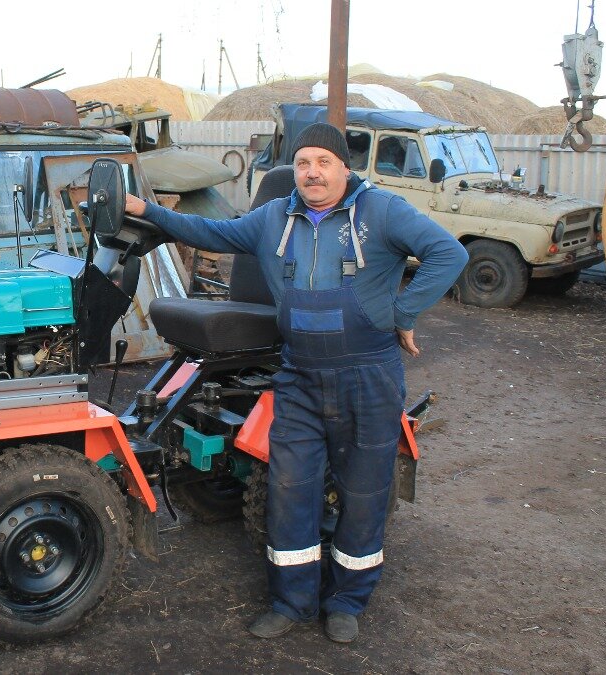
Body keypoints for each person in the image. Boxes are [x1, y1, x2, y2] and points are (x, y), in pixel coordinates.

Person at [123, 123, 468, 643]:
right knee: (289, 489)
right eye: (303, 162)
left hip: (368, 375)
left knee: (364, 490)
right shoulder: (272, 218)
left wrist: (405, 311)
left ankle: (349, 599)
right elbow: (207, 232)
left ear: (343, 167)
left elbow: (449, 255)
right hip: (300, 376)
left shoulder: (382, 211)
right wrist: (146, 212)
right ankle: (292, 600)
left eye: (323, 163)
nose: (312, 172)